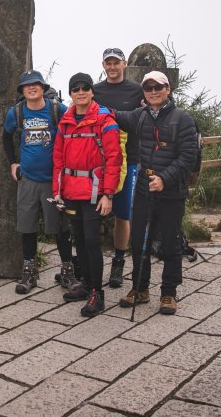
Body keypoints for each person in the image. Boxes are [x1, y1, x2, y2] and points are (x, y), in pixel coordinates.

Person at [111, 71, 199, 315]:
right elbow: (115, 115)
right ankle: (140, 288)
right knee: (139, 241)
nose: (153, 91)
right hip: (143, 189)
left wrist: (164, 179)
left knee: (170, 243)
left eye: (157, 87)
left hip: (171, 193)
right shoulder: (140, 116)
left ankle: (169, 293)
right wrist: (83, 104)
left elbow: (187, 158)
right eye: (148, 88)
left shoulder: (183, 119)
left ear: (167, 89)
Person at [52, 72, 122, 317]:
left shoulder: (104, 120)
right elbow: (58, 159)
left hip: (93, 191)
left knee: (92, 241)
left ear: (92, 91)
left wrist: (108, 194)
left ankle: (97, 293)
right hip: (71, 190)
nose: (80, 92)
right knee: (79, 239)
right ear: (70, 94)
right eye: (75, 89)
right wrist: (57, 192)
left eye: (85, 88)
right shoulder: (65, 122)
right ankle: (86, 285)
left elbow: (114, 158)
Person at [2, 70, 78, 294]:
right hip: (28, 179)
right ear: (22, 90)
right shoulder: (16, 112)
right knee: (27, 227)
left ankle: (67, 272)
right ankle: (29, 273)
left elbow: (73, 129)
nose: (32, 88)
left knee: (60, 228)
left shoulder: (57, 109)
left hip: (54, 180)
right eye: (27, 85)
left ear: (43, 88)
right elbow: (7, 136)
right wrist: (13, 162)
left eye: (36, 84)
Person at [92, 47, 144, 288]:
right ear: (103, 65)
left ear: (124, 64)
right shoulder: (95, 90)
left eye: (116, 63)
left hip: (128, 159)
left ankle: (119, 261)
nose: (112, 67)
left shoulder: (137, 90)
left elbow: (151, 111)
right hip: (97, 161)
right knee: (91, 212)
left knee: (123, 214)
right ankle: (89, 263)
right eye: (108, 63)